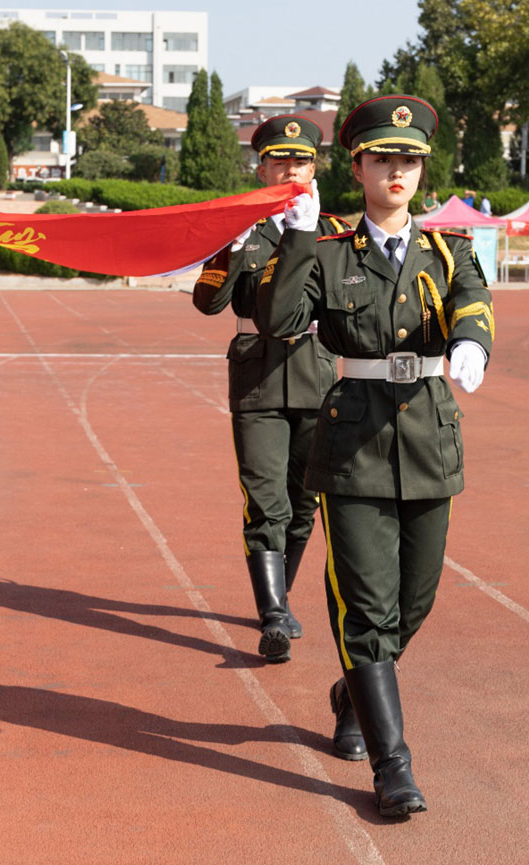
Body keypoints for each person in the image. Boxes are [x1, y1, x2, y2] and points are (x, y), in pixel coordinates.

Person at [255, 94, 494, 817]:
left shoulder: (450, 250)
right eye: (384, 157)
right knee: (366, 607)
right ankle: (393, 765)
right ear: (358, 166)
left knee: (411, 603)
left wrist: (472, 344)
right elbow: (279, 319)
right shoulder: (326, 251)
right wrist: (295, 241)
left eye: (410, 159)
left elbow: (473, 303)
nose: (398, 169)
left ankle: (351, 688)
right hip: (353, 444)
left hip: (429, 437)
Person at [192, 115, 353, 672]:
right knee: (267, 502)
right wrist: (234, 248)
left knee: (305, 503)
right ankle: (274, 614)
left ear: (315, 167)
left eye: (301, 161)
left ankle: (278, 594)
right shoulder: (243, 226)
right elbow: (207, 303)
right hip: (258, 376)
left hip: (316, 372)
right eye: (278, 160)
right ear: (259, 166)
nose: (290, 169)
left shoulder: (332, 229)